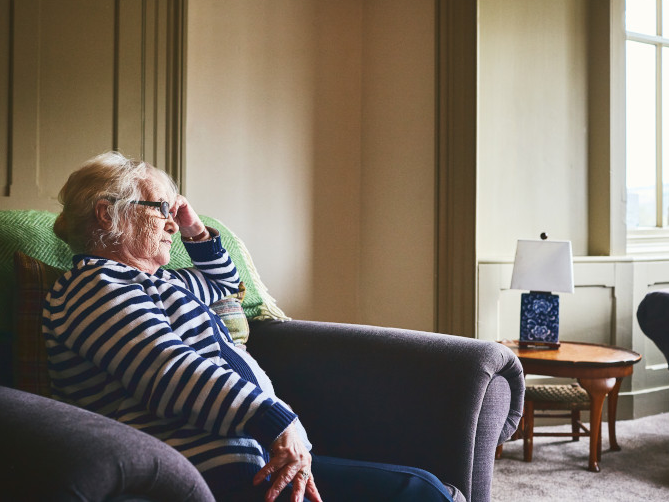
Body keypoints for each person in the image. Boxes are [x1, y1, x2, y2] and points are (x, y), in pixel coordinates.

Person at [43, 152, 459, 502]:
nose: (171, 223)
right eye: (161, 210)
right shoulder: (94, 287)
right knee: (417, 492)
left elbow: (227, 287)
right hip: (204, 467)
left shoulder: (162, 281)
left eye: (174, 213)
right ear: (107, 212)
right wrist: (275, 420)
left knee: (424, 487)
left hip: (247, 452)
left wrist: (195, 228)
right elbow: (168, 373)